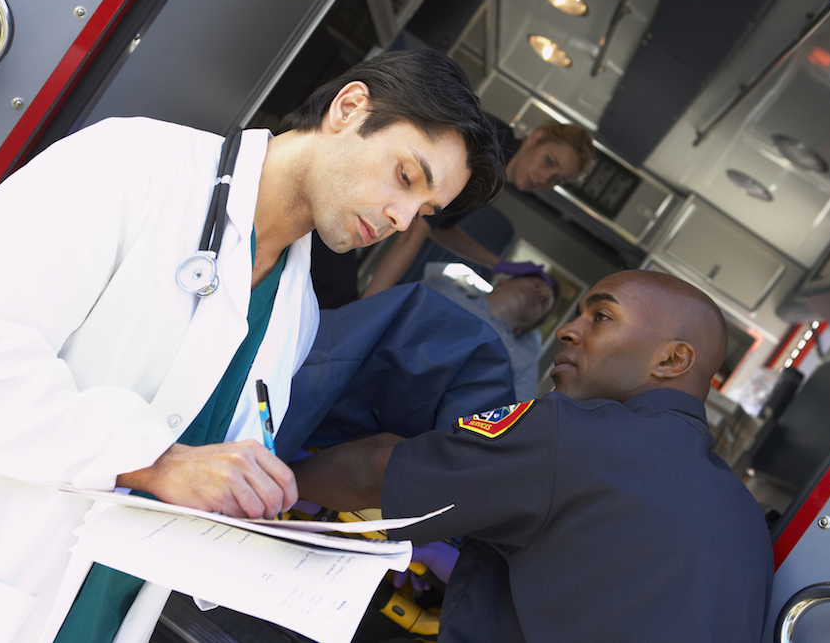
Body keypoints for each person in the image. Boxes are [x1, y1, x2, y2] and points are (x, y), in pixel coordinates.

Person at [0, 49, 504, 643]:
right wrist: (159, 462)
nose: (402, 218)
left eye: (423, 211)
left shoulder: (298, 315)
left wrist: (251, 513)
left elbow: (204, 482)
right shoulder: (134, 163)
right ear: (348, 108)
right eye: (404, 177)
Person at [291, 269, 775, 642]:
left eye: (600, 317)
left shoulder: (576, 432)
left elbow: (373, 470)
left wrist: (273, 476)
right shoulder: (747, 523)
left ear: (672, 360)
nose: (567, 329)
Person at [358, 119, 594, 299]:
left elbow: (438, 226)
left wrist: (500, 264)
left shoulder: (496, 171)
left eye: (556, 179)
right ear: (535, 138)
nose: (545, 179)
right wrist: (363, 312)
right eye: (549, 161)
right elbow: (414, 232)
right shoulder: (490, 150)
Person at [420, 262, 558, 400]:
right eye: (536, 285)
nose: (541, 294)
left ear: (524, 328)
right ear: (503, 281)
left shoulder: (525, 363)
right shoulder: (441, 291)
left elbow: (514, 416)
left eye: (544, 302)